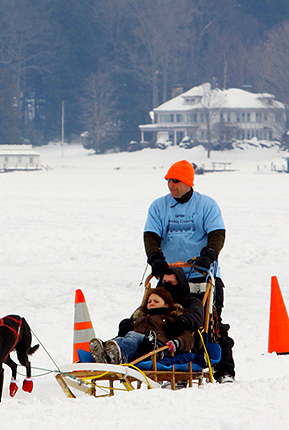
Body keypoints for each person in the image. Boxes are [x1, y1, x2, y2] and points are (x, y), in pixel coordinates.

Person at [143, 160, 235, 382]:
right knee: (165, 320)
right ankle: (171, 365)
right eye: (168, 181)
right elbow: (151, 235)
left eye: (175, 181)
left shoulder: (206, 205)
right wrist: (156, 259)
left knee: (210, 323)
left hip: (202, 275)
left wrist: (208, 256)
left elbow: (217, 234)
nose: (170, 185)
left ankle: (224, 369)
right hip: (170, 277)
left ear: (187, 182)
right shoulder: (158, 206)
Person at [89, 287, 194, 365]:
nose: (151, 303)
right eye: (149, 301)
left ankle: (121, 359)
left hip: (155, 346)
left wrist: (177, 343)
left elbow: (188, 338)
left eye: (156, 301)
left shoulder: (171, 319)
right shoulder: (140, 318)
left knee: (132, 335)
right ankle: (104, 355)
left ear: (166, 304)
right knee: (120, 339)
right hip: (136, 347)